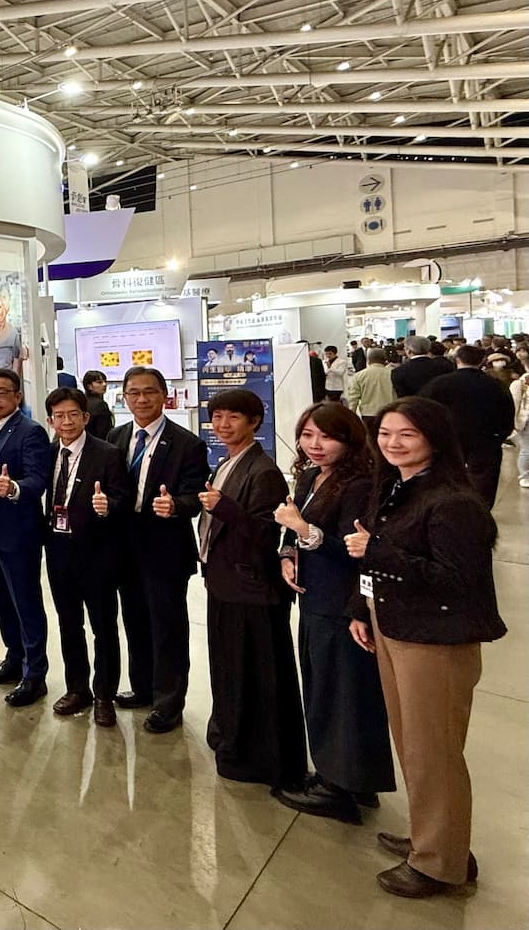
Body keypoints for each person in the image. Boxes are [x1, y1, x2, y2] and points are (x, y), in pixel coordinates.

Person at [346, 397, 506, 899]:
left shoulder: (453, 502)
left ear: (434, 438)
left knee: (433, 752)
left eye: (407, 434)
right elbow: (374, 554)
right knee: (413, 746)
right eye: (385, 433)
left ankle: (439, 863)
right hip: (396, 626)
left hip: (435, 640)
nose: (392, 443)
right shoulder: (399, 486)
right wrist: (360, 609)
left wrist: (377, 550)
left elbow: (457, 581)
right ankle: (435, 839)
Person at [272, 403, 394, 824]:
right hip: (314, 598)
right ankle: (351, 778)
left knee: (341, 694)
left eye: (327, 436)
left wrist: (302, 530)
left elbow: (351, 549)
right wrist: (288, 552)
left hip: (340, 604)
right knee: (327, 688)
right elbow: (293, 525)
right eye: (307, 435)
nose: (315, 444)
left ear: (349, 439)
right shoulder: (312, 475)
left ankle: (337, 787)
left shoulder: (359, 484)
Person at [194, 388, 303, 789]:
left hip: (249, 588)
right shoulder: (227, 462)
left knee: (255, 672)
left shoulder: (263, 471)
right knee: (228, 667)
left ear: (255, 422)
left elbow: (265, 534)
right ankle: (231, 734)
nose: (223, 425)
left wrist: (223, 507)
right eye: (217, 417)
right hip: (224, 581)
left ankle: (257, 756)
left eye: (233, 417)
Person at [107, 366, 210, 734]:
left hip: (165, 548)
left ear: (164, 395)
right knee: (134, 620)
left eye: (149, 391)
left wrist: (177, 505)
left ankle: (169, 702)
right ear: (124, 397)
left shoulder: (187, 443)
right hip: (125, 547)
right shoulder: (116, 436)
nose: (141, 399)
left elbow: (195, 495)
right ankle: (143, 687)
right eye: (133, 392)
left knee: (167, 627)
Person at [41, 388, 130, 728]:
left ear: (85, 417)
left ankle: (104, 694)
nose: (66, 422)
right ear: (51, 420)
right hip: (58, 550)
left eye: (72, 415)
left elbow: (123, 499)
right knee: (68, 624)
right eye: (59, 416)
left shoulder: (107, 454)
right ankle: (77, 688)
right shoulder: (49, 453)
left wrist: (108, 506)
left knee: (103, 627)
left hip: (97, 554)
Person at [0, 368, 54, 707]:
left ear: (18, 396)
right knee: (2, 600)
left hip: (19, 533)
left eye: (2, 392)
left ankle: (35, 673)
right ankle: (13, 658)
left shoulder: (30, 431)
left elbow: (38, 479)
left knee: (26, 603)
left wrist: (14, 488)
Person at [419, 344, 514, 507]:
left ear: (457, 360)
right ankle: (481, 510)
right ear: (482, 361)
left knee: (448, 472)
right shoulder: (494, 384)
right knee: (484, 477)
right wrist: (501, 434)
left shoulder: (440, 383)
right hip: (485, 437)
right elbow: (507, 411)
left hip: (449, 436)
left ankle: (447, 507)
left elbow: (422, 407)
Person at [345, 347, 396, 440]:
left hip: (368, 413)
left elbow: (353, 398)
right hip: (389, 412)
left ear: (368, 359)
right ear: (385, 359)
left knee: (370, 439)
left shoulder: (359, 375)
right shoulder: (393, 374)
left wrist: (352, 416)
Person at [82, 371, 114, 440]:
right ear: (89, 386)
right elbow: (105, 432)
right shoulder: (100, 405)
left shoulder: (80, 401)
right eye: (99, 382)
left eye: (105, 381)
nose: (104, 384)